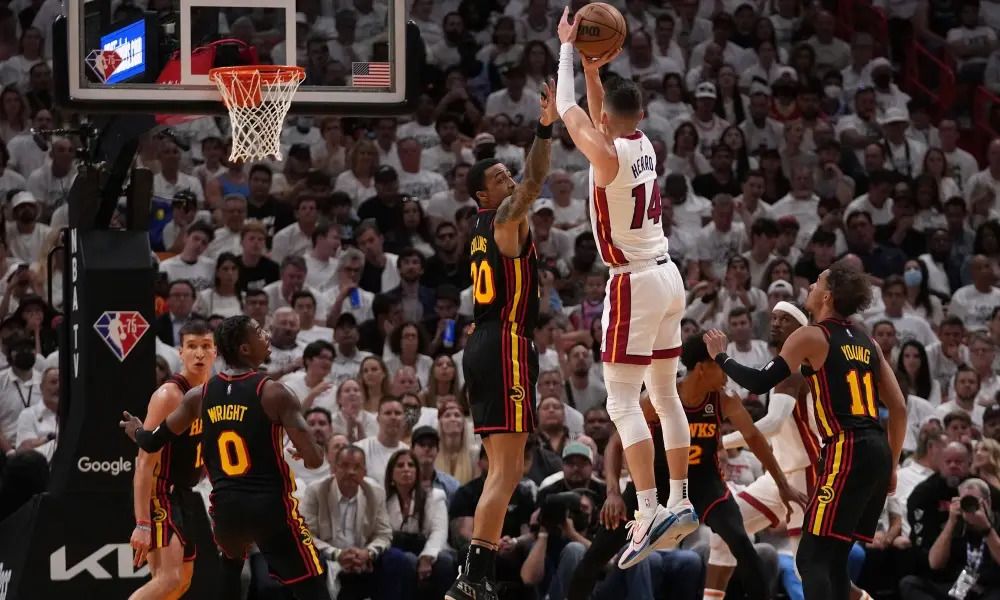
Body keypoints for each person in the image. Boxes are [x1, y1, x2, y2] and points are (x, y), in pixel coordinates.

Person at [555, 9, 696, 569]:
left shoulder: (606, 152)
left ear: (609, 122)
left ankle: (647, 508)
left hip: (634, 282)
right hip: (669, 276)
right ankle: (680, 499)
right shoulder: (642, 143)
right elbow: (596, 112)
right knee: (663, 394)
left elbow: (570, 113)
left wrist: (569, 51)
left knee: (621, 401)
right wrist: (597, 71)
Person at [704, 261, 907, 600]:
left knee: (810, 558)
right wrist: (893, 465)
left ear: (827, 296)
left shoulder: (812, 335)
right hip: (876, 450)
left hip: (846, 448)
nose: (810, 287)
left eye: (816, 283)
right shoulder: (867, 341)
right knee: (833, 561)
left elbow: (757, 380)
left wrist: (721, 356)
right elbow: (898, 408)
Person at [120, 315, 330, 600]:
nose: (266, 335)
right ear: (244, 348)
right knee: (314, 581)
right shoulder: (273, 391)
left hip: (226, 511)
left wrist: (136, 431)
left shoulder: (200, 395)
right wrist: (306, 451)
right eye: (258, 332)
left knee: (227, 573)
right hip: (268, 507)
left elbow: (152, 439)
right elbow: (316, 461)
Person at [444, 79, 556, 600]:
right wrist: (546, 127)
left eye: (505, 170)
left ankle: (476, 576)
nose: (507, 176)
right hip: (505, 343)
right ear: (482, 196)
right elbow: (534, 180)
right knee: (508, 469)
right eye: (497, 175)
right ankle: (473, 575)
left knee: (502, 468)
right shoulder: (506, 218)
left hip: (489, 341)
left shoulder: (485, 229)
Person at [708, 301, 822, 596]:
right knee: (725, 528)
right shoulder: (783, 369)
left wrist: (723, 442)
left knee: (809, 571)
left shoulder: (796, 370)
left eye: (784, 319)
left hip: (806, 474)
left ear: (801, 329)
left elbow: (771, 424)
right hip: (780, 474)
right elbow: (778, 432)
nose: (775, 323)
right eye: (773, 318)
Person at [128, 320, 216, 600]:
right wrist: (142, 523)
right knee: (168, 579)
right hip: (161, 492)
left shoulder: (211, 393)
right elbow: (143, 462)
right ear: (180, 352)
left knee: (182, 583)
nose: (199, 354)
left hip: (184, 493)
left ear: (215, 352)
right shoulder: (169, 395)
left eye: (205, 346)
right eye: (192, 346)